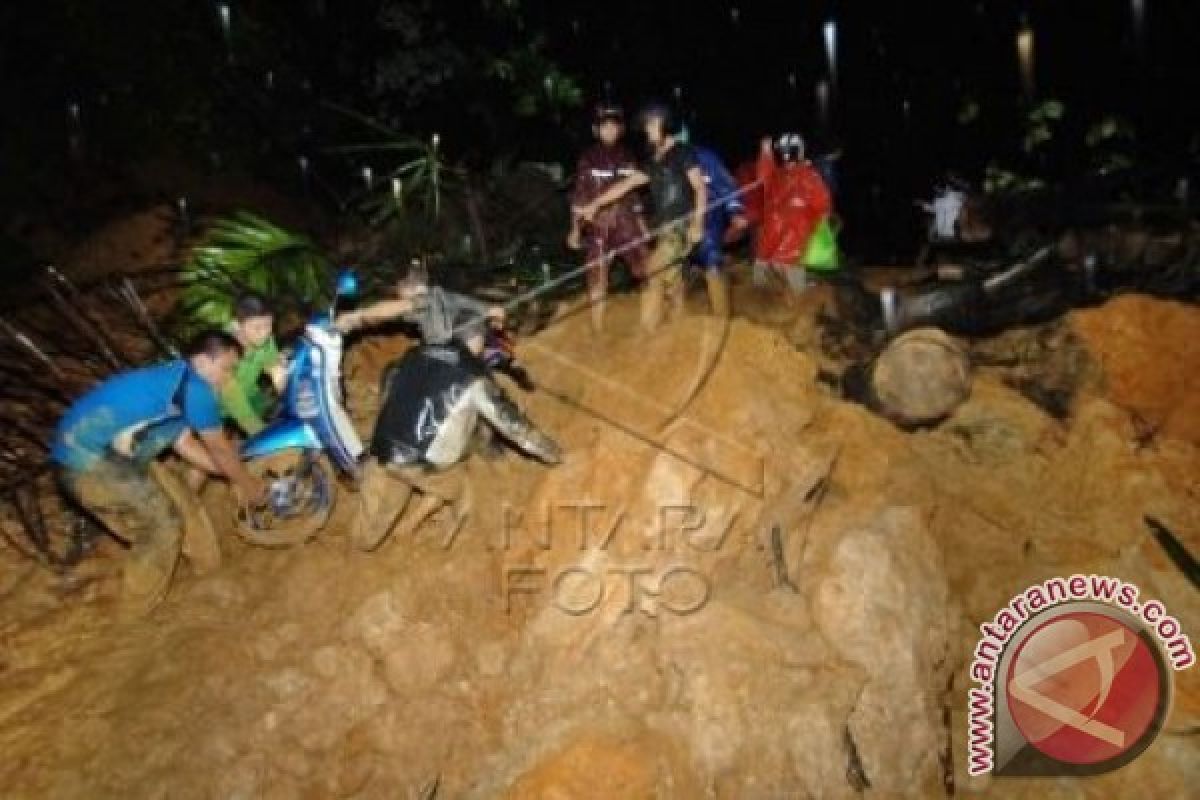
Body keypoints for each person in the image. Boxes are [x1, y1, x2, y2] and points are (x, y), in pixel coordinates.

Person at [51, 331, 266, 615]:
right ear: (203, 361)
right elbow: (220, 449)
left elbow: (185, 444)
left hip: (120, 455)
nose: (228, 377)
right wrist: (248, 484)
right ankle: (133, 614)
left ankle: (212, 575)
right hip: (84, 460)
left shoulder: (178, 382)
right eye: (226, 368)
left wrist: (234, 475)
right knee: (162, 525)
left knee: (184, 503)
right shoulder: (195, 388)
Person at [352, 313, 562, 552]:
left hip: (384, 449)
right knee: (461, 490)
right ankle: (418, 526)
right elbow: (515, 428)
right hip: (421, 463)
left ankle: (366, 538)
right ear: (477, 339)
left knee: (365, 539)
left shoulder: (415, 353)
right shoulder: (475, 376)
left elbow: (389, 381)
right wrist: (553, 454)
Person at [575, 101, 707, 333]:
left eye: (651, 125)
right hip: (665, 228)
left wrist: (697, 223)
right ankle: (680, 324)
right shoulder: (653, 160)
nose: (647, 129)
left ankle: (648, 332)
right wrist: (595, 204)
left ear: (664, 125)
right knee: (671, 278)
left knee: (653, 270)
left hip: (681, 225)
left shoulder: (683, 152)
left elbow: (700, 188)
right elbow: (625, 185)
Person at [567, 104, 650, 333]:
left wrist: (642, 225)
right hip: (598, 226)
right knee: (597, 277)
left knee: (646, 270)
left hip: (626, 223)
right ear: (596, 130)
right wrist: (574, 229)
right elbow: (579, 196)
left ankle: (650, 323)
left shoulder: (628, 156)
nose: (610, 131)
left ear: (620, 129)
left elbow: (634, 195)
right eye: (605, 127)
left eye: (614, 126)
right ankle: (597, 330)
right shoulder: (588, 158)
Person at [754, 133, 832, 297]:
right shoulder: (809, 176)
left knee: (767, 273)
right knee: (788, 272)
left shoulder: (783, 175)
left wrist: (766, 152)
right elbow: (824, 208)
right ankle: (793, 301)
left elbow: (763, 178)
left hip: (775, 236)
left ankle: (769, 302)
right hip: (790, 237)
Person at [689, 144, 749, 317]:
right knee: (674, 270)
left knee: (711, 258)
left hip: (710, 218)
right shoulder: (663, 158)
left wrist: (735, 213)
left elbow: (726, 187)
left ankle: (721, 315)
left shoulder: (705, 157)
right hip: (679, 221)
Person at [220, 293, 287, 436]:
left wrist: (288, 397)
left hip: (252, 395)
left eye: (269, 325)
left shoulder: (267, 340)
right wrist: (260, 432)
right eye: (257, 328)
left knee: (282, 413)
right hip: (220, 408)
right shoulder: (222, 352)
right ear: (236, 325)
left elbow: (275, 369)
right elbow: (236, 403)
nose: (264, 333)